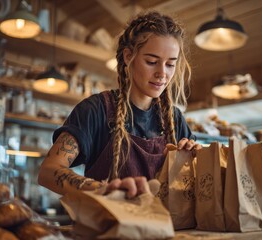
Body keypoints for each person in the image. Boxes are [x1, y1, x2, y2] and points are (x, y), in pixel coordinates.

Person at [38, 11, 202, 198]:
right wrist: (101, 189)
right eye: (152, 62)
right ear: (128, 56)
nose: (162, 73)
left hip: (166, 227)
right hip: (107, 226)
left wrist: (196, 160)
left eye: (170, 64)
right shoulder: (95, 110)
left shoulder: (174, 119)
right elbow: (48, 171)